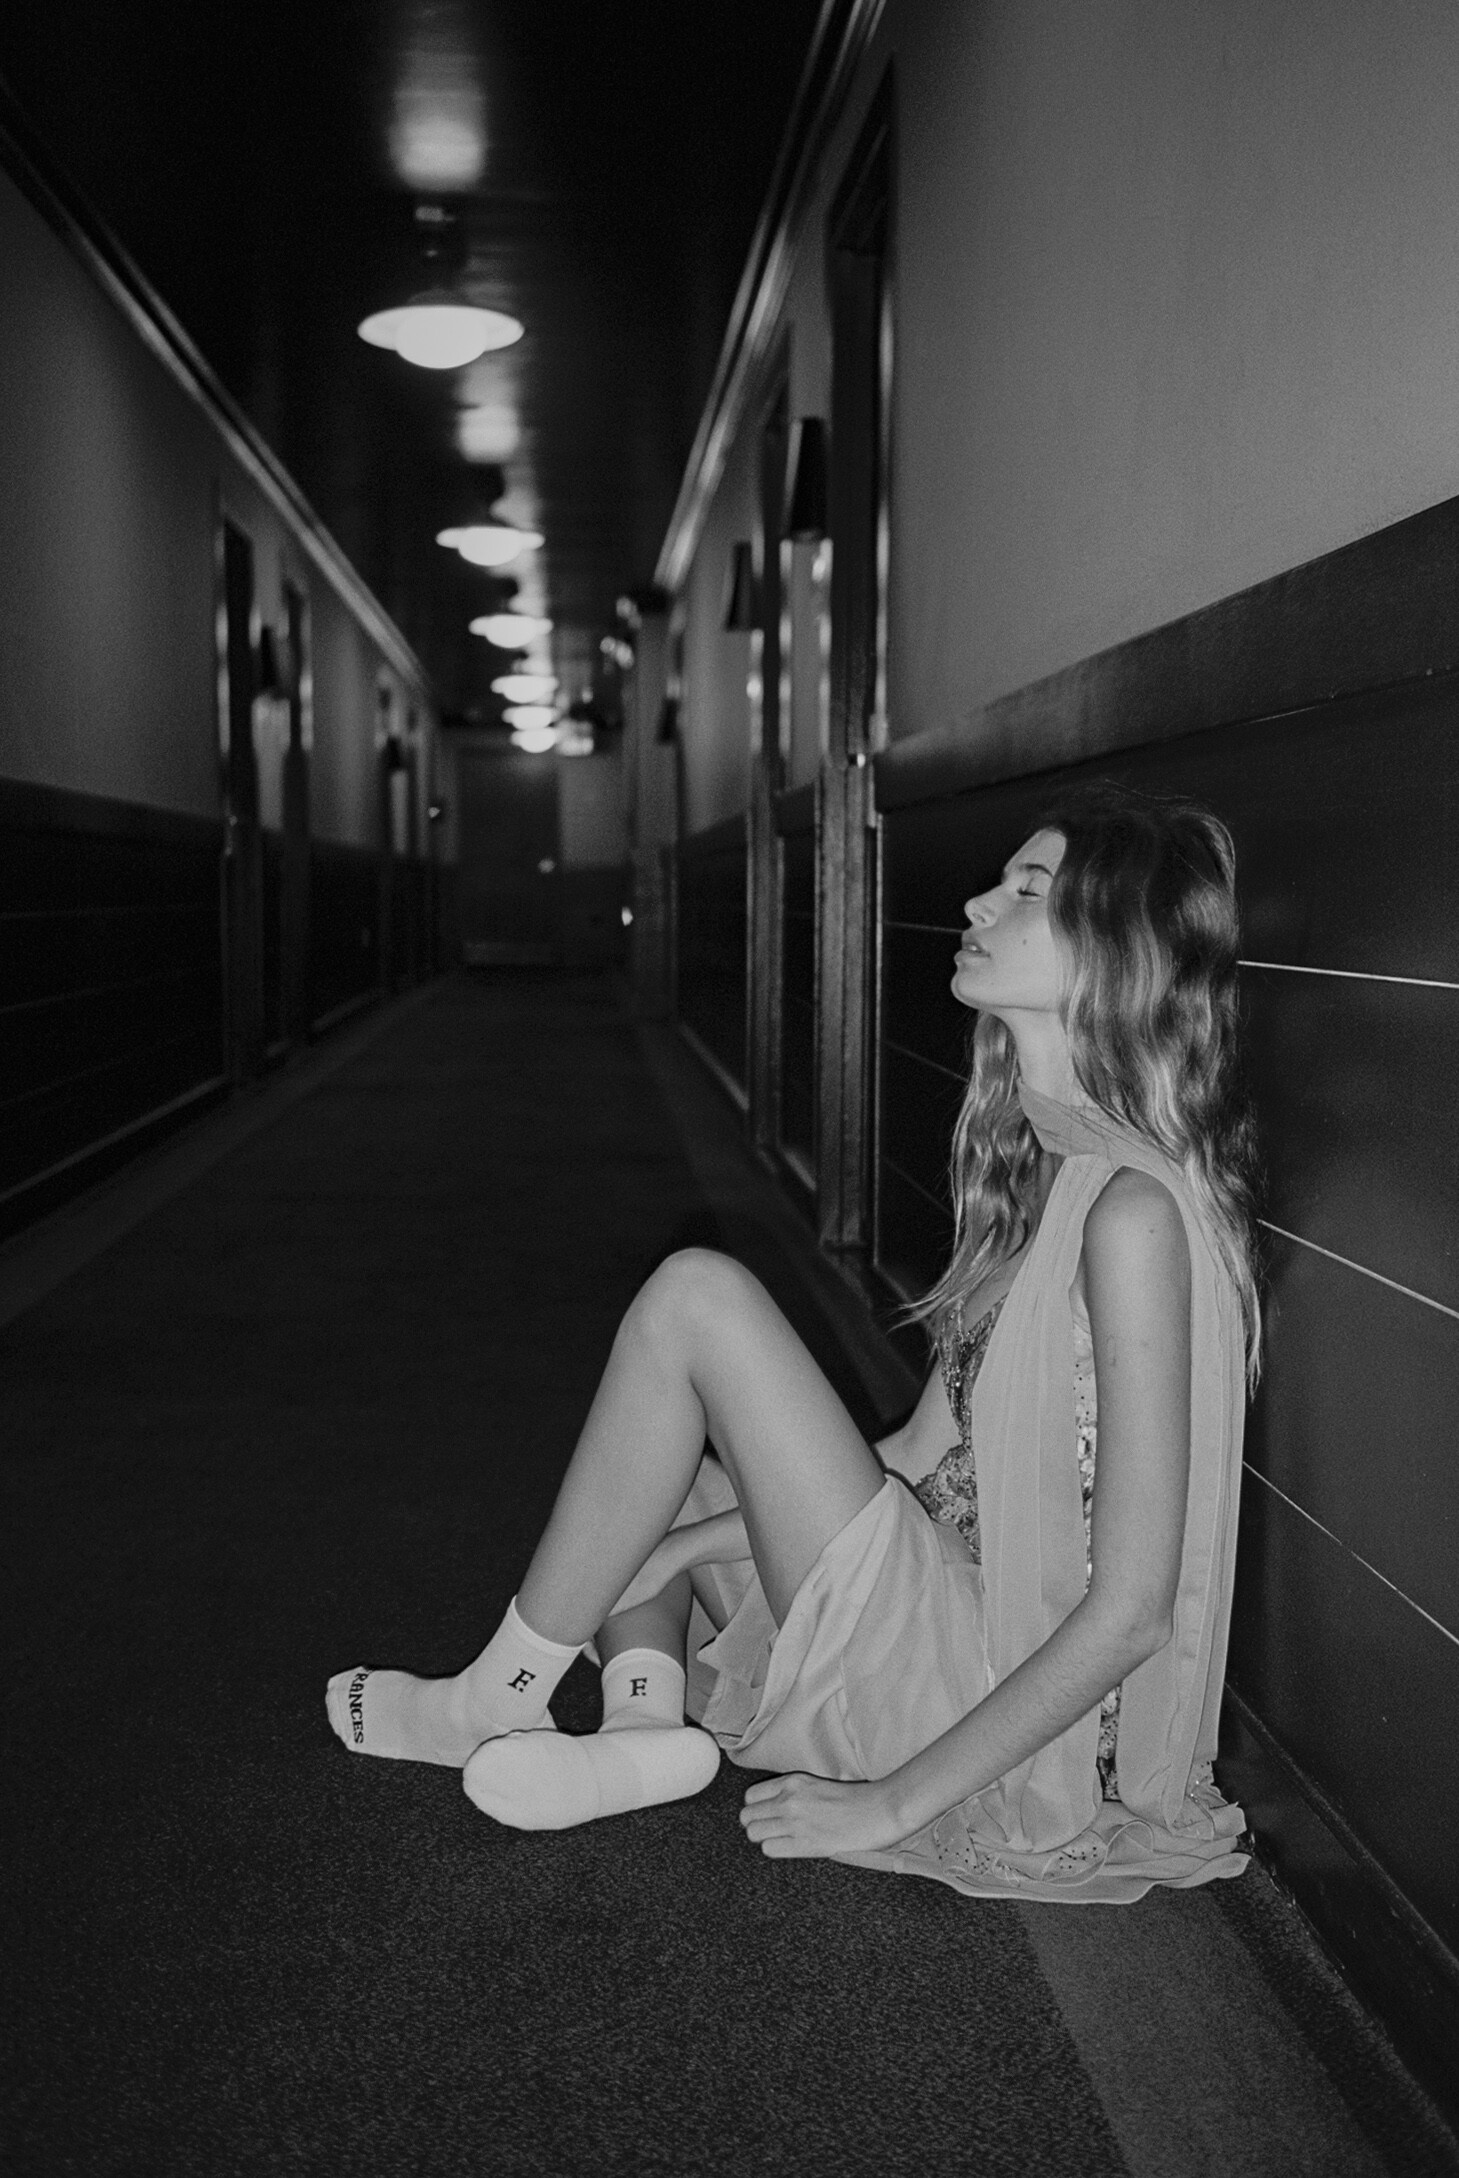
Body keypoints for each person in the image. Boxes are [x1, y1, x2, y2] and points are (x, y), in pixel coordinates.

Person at [327, 781, 1261, 1901]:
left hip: (1005, 1705)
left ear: (1115, 950)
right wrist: (672, 1549)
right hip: (948, 1619)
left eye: (1027, 890)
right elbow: (914, 1456)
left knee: (696, 1298)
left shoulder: (1133, 1213)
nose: (977, 902)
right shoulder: (1046, 1173)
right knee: (656, 1486)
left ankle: (492, 1697)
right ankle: (641, 1733)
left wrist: (890, 1804)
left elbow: (1133, 1612)